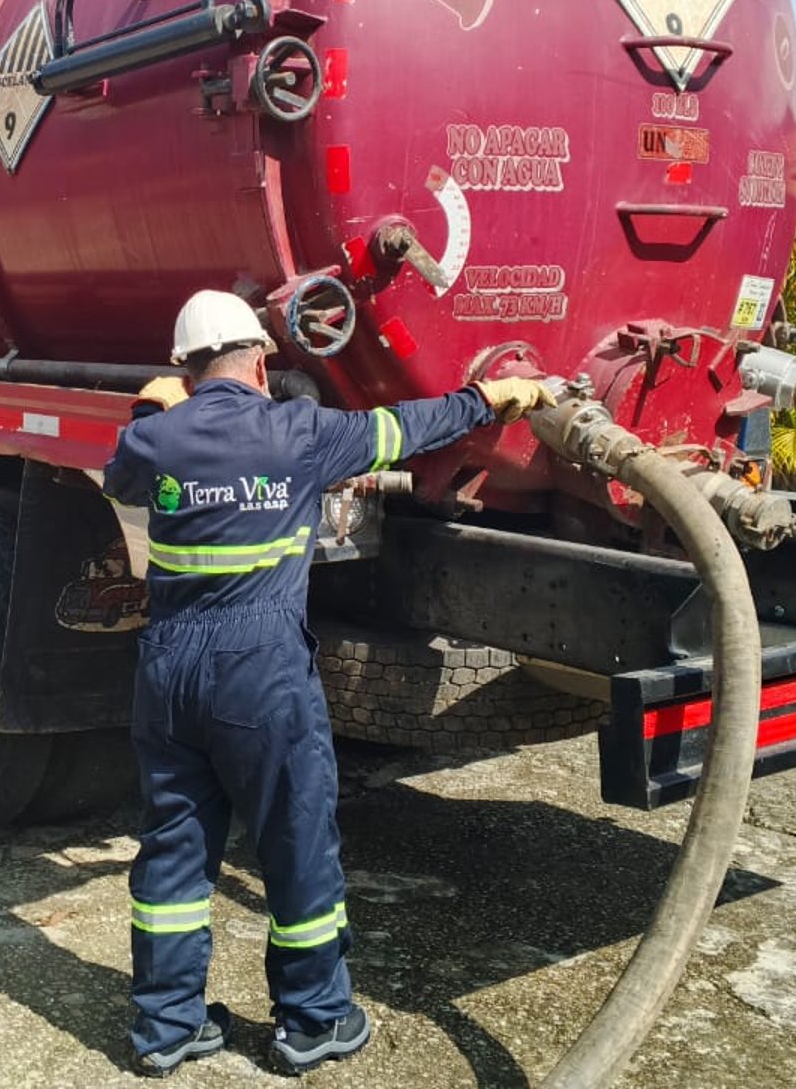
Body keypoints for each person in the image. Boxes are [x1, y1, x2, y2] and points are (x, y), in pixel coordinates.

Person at [103, 289, 555, 1077]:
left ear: (184, 367)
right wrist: (486, 399)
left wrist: (152, 410)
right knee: (295, 840)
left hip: (170, 668)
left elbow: (123, 473)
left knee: (174, 846)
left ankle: (165, 1030)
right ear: (263, 358)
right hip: (260, 671)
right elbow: (408, 430)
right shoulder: (301, 432)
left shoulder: (157, 439)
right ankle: (313, 1021)